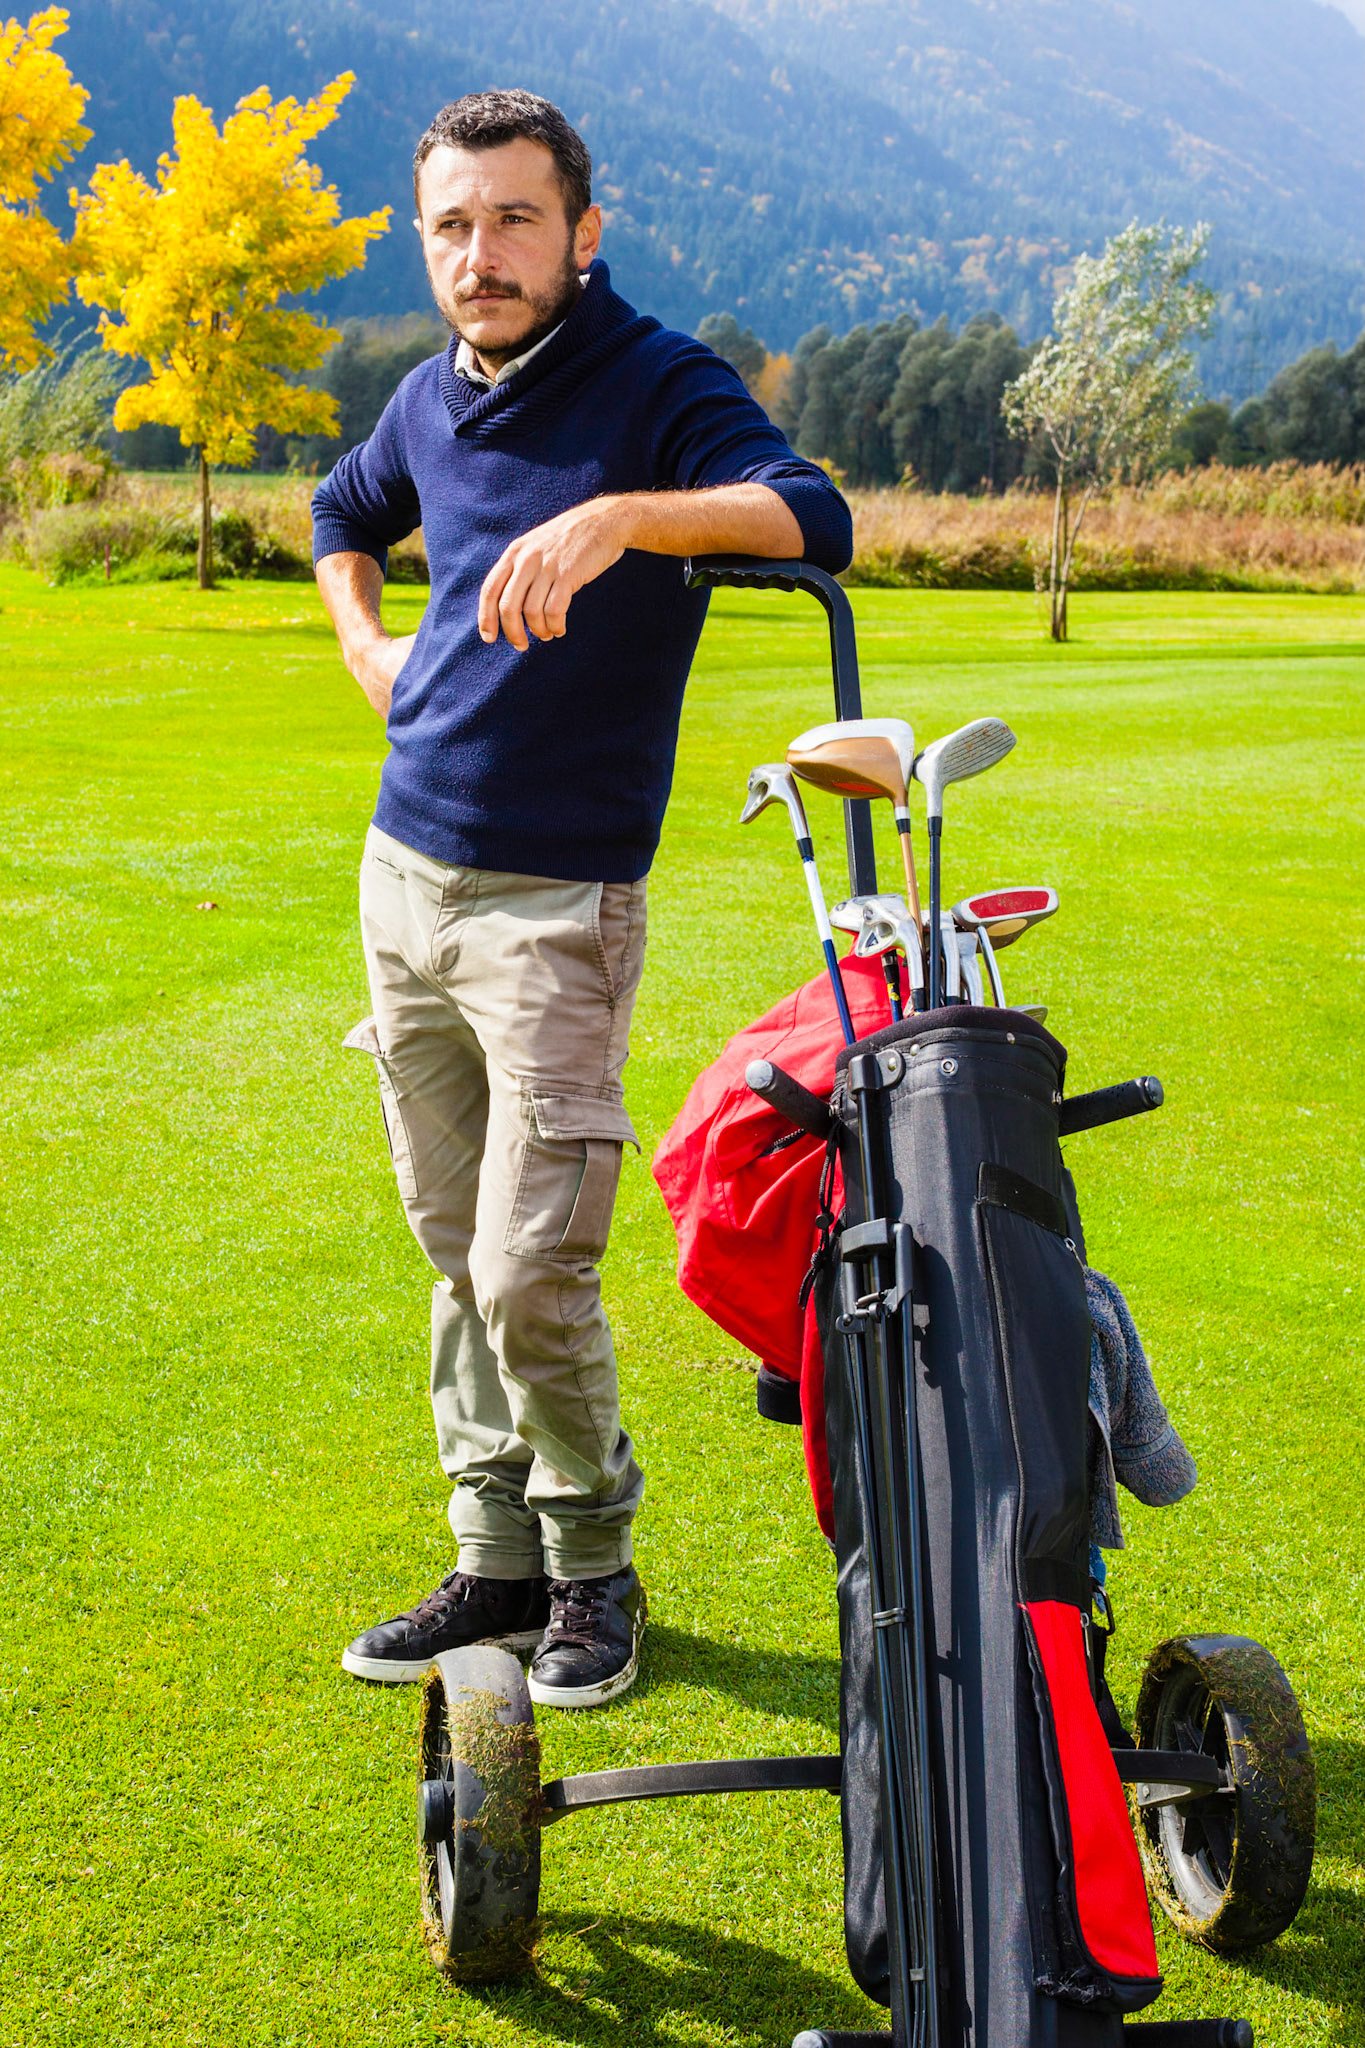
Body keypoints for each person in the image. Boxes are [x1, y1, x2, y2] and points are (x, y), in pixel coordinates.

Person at [312, 88, 852, 1710]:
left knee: (528, 1267)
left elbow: (811, 513)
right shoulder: (427, 396)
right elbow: (343, 513)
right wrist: (364, 645)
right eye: (452, 227)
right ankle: (494, 1560)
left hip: (555, 908)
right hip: (403, 878)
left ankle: (593, 1567)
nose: (480, 257)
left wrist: (621, 517)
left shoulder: (652, 381)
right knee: (445, 1243)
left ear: (583, 231)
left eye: (514, 221)